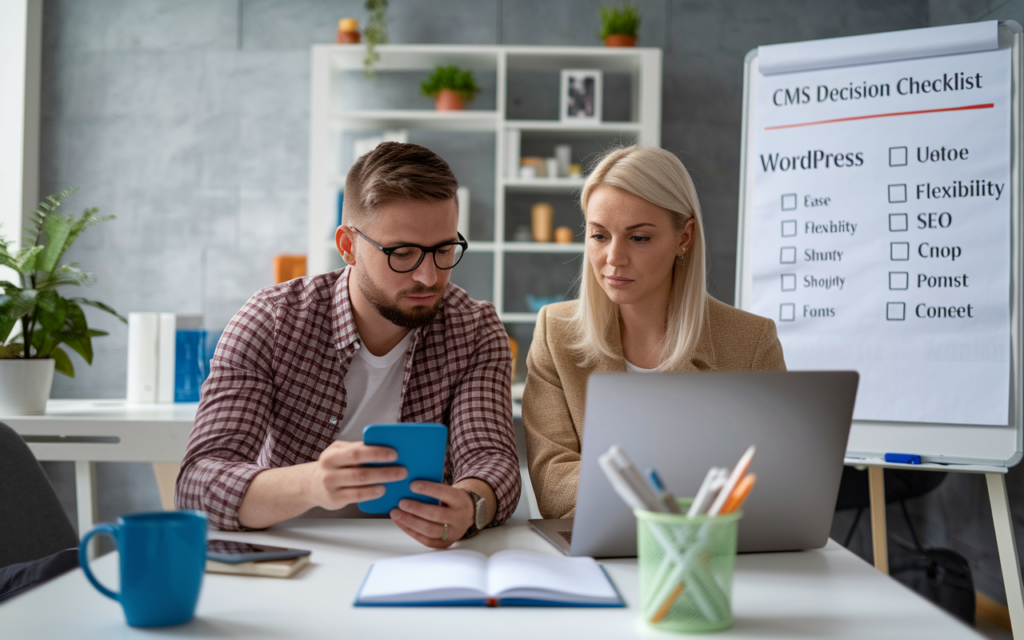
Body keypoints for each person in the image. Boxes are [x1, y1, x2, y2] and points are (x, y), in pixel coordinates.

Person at [176, 143, 520, 547]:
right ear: (347, 246)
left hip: (417, 556)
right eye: (402, 253)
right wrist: (312, 483)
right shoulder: (271, 320)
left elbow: (491, 459)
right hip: (291, 550)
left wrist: (471, 505)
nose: (428, 277)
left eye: (443, 250)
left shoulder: (475, 328)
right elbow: (198, 481)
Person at [522, 146, 786, 520]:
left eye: (639, 238)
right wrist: (687, 492)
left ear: (684, 237)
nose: (614, 258)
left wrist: (625, 494)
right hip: (600, 549)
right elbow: (554, 485)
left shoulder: (751, 342)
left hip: (710, 549)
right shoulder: (556, 333)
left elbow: (773, 483)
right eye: (599, 236)